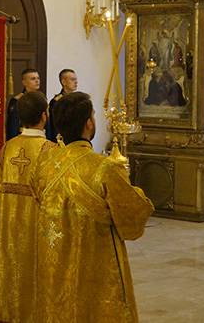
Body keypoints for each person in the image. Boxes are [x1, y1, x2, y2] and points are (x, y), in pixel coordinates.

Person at [32, 92, 154, 322]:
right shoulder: (104, 168)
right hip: (95, 263)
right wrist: (138, 193)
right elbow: (131, 218)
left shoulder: (45, 165)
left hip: (54, 262)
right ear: (89, 123)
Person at [0, 91, 55, 323]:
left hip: (9, 229)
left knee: (11, 274)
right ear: (44, 116)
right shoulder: (49, 150)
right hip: (38, 230)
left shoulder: (7, 147)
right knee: (36, 274)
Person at [5, 68, 41, 140]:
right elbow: (13, 125)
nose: (37, 81)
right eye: (33, 79)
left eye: (38, 78)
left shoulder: (41, 98)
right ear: (24, 82)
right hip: (24, 138)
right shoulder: (18, 100)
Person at [46, 68, 78, 142]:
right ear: (63, 82)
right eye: (72, 80)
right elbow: (53, 126)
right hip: (61, 140)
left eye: (76, 79)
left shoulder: (77, 100)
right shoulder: (57, 101)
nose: (76, 82)